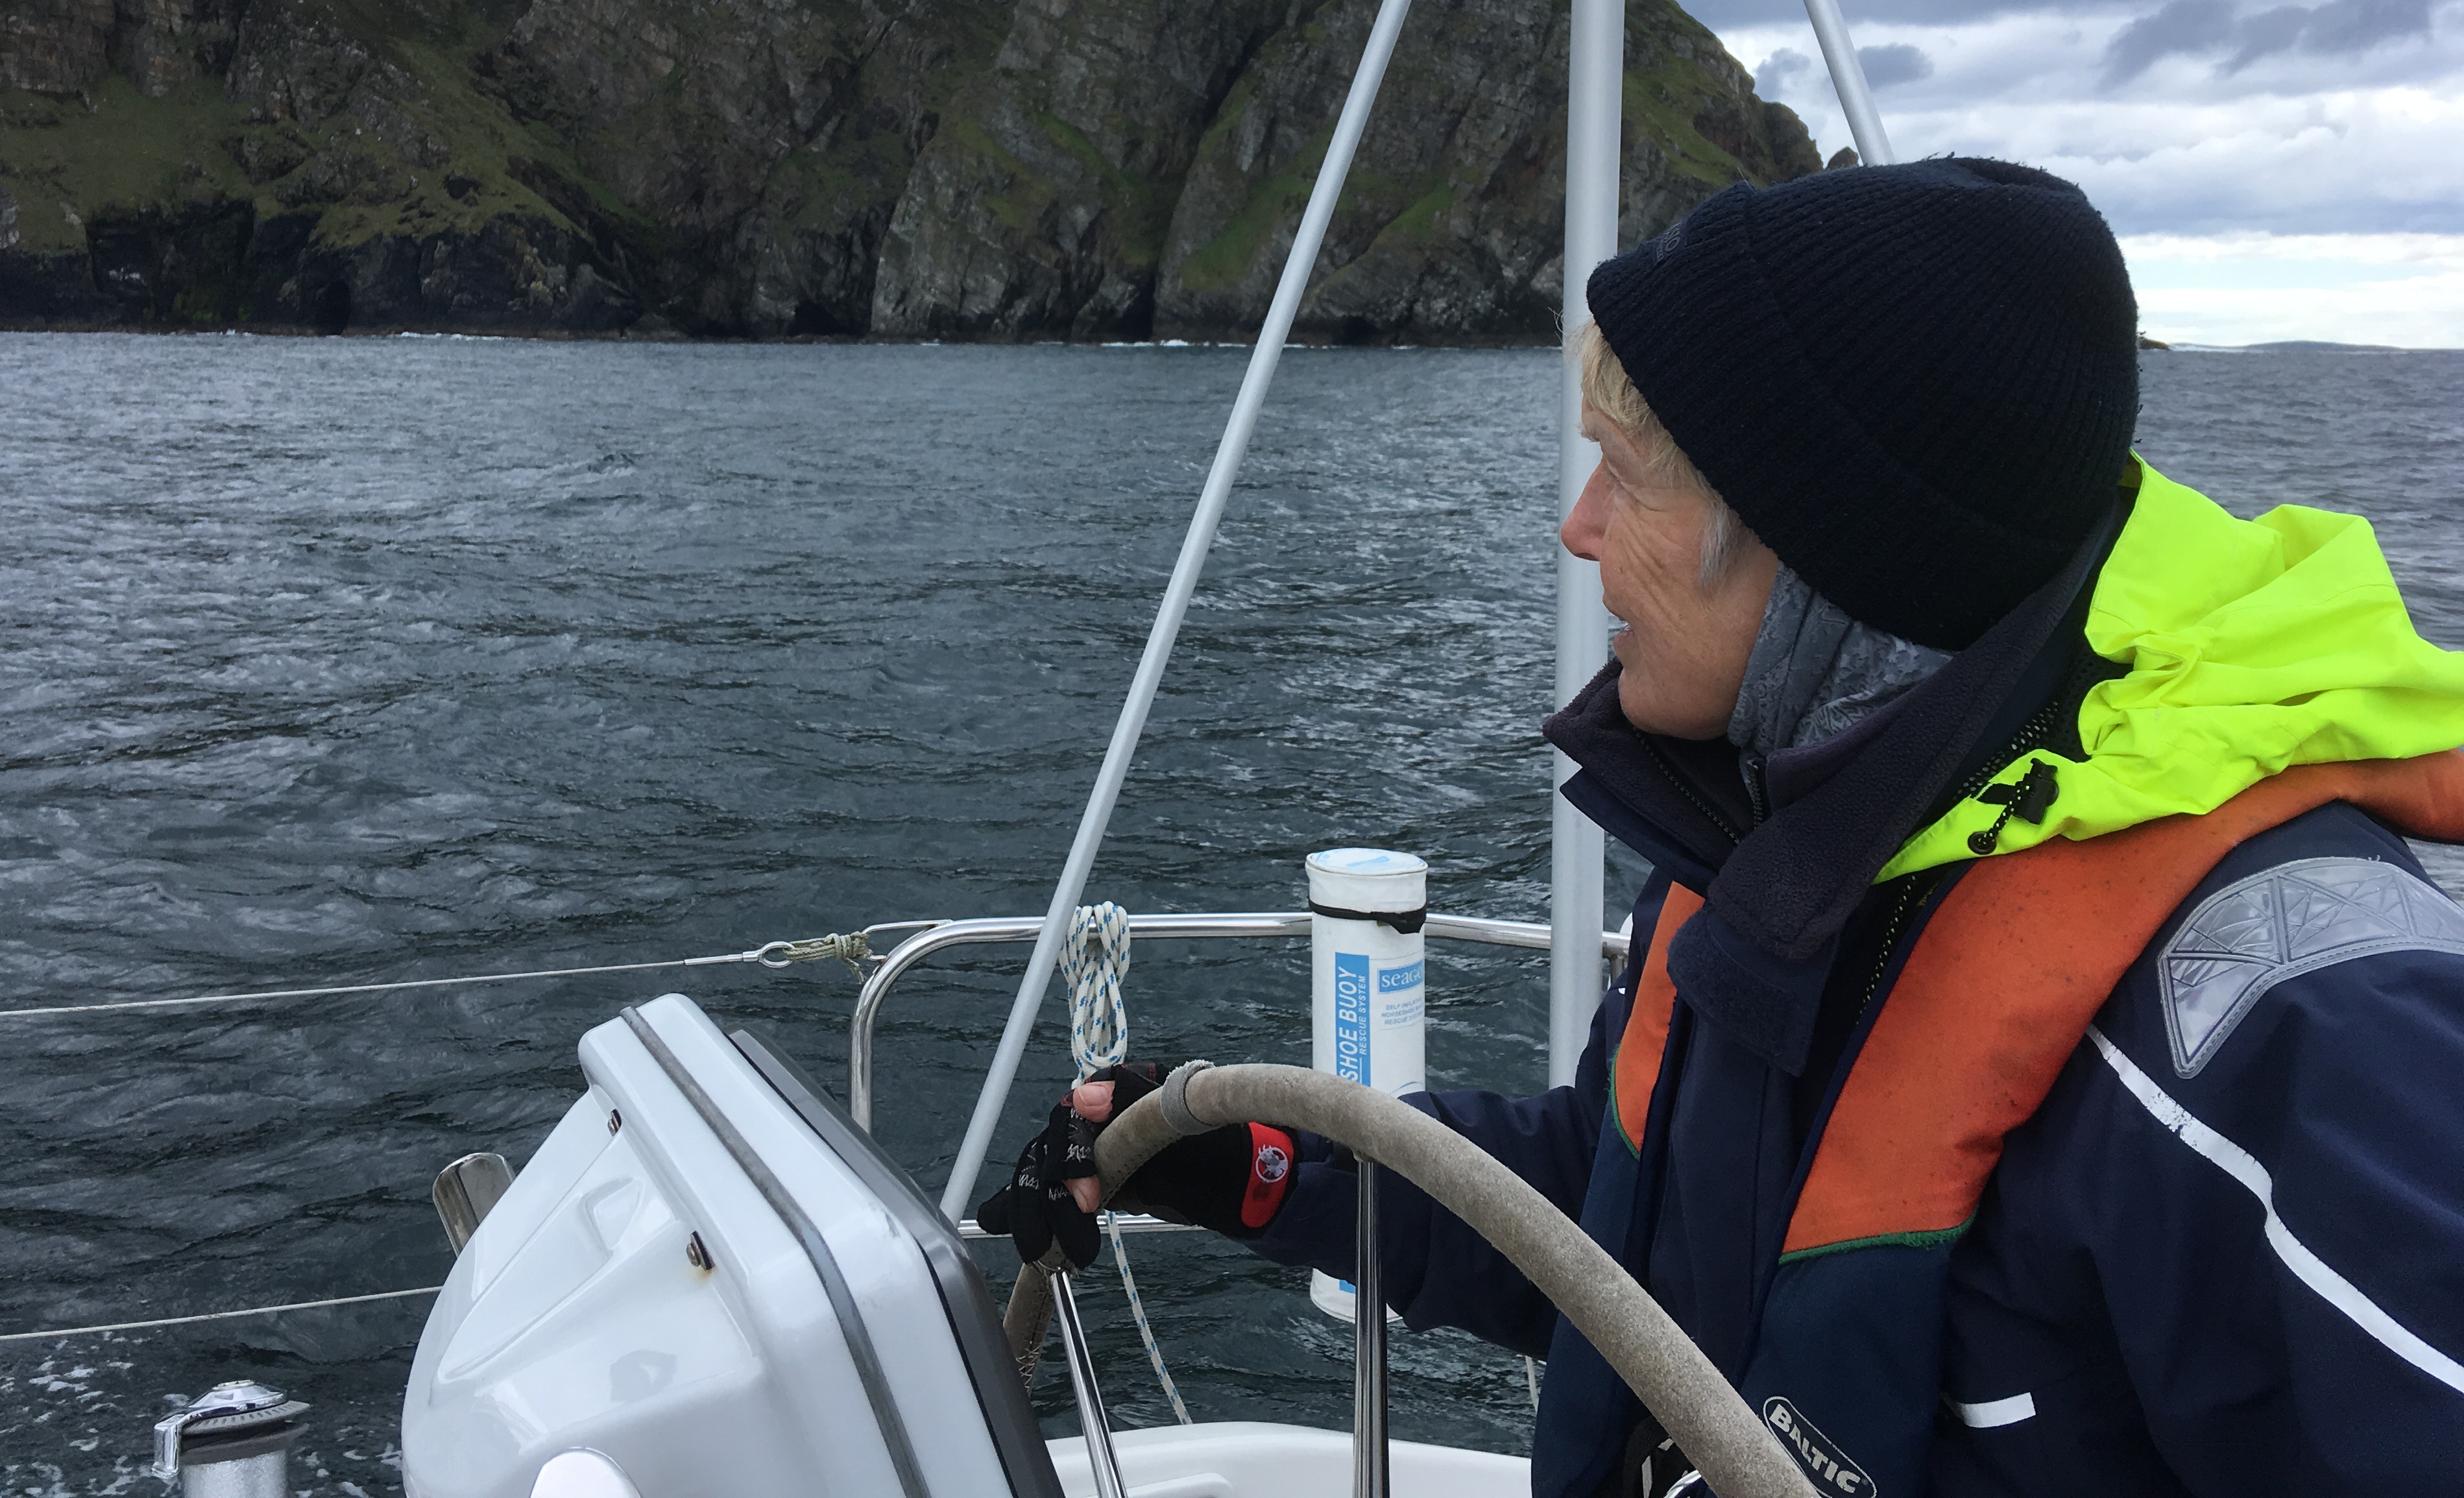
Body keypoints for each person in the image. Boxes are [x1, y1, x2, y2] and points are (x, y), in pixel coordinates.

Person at [980, 158, 2464, 1496]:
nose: (1575, 530)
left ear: (1826, 546)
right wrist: (1254, 1166)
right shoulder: (1795, 835)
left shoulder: (2307, 1042)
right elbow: (1615, 1227)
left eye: (1624, 476)